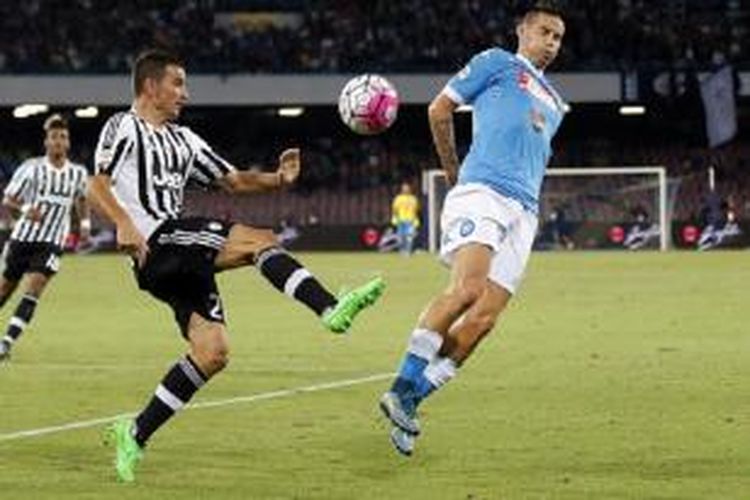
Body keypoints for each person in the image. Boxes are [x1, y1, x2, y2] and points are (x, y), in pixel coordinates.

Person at [88, 49, 385, 482]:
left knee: (212, 352)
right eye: (177, 84)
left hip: (181, 257)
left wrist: (277, 179)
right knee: (258, 240)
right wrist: (122, 223)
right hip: (159, 241)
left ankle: (133, 433)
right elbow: (95, 182)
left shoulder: (185, 140)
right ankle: (328, 307)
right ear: (150, 87)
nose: (184, 94)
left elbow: (232, 180)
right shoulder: (123, 127)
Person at [379, 1, 567, 456]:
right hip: (481, 191)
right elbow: (439, 111)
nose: (551, 43)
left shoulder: (559, 102)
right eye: (544, 32)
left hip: (523, 213)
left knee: (483, 320)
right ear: (522, 31)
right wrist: (453, 175)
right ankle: (401, 384)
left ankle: (411, 401)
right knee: (467, 290)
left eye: (558, 37)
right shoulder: (496, 63)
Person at [0, 114, 89, 361]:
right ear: (46, 142)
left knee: (35, 288)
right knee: (5, 289)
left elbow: (81, 199)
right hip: (23, 238)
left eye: (63, 137)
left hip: (52, 241)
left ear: (68, 143)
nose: (59, 141)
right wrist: (28, 210)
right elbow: (8, 199)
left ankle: (6, 342)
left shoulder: (78, 173)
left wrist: (84, 225)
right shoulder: (31, 168)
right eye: (54, 137)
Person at [390, 182, 420, 255]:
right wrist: (395, 218)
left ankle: (408, 251)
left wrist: (415, 219)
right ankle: (402, 250)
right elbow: (394, 209)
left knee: (409, 237)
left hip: (411, 221)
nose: (406, 190)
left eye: (407, 188)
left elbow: (416, 210)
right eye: (404, 188)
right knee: (401, 237)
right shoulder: (398, 199)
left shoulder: (413, 199)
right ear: (402, 189)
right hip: (401, 220)